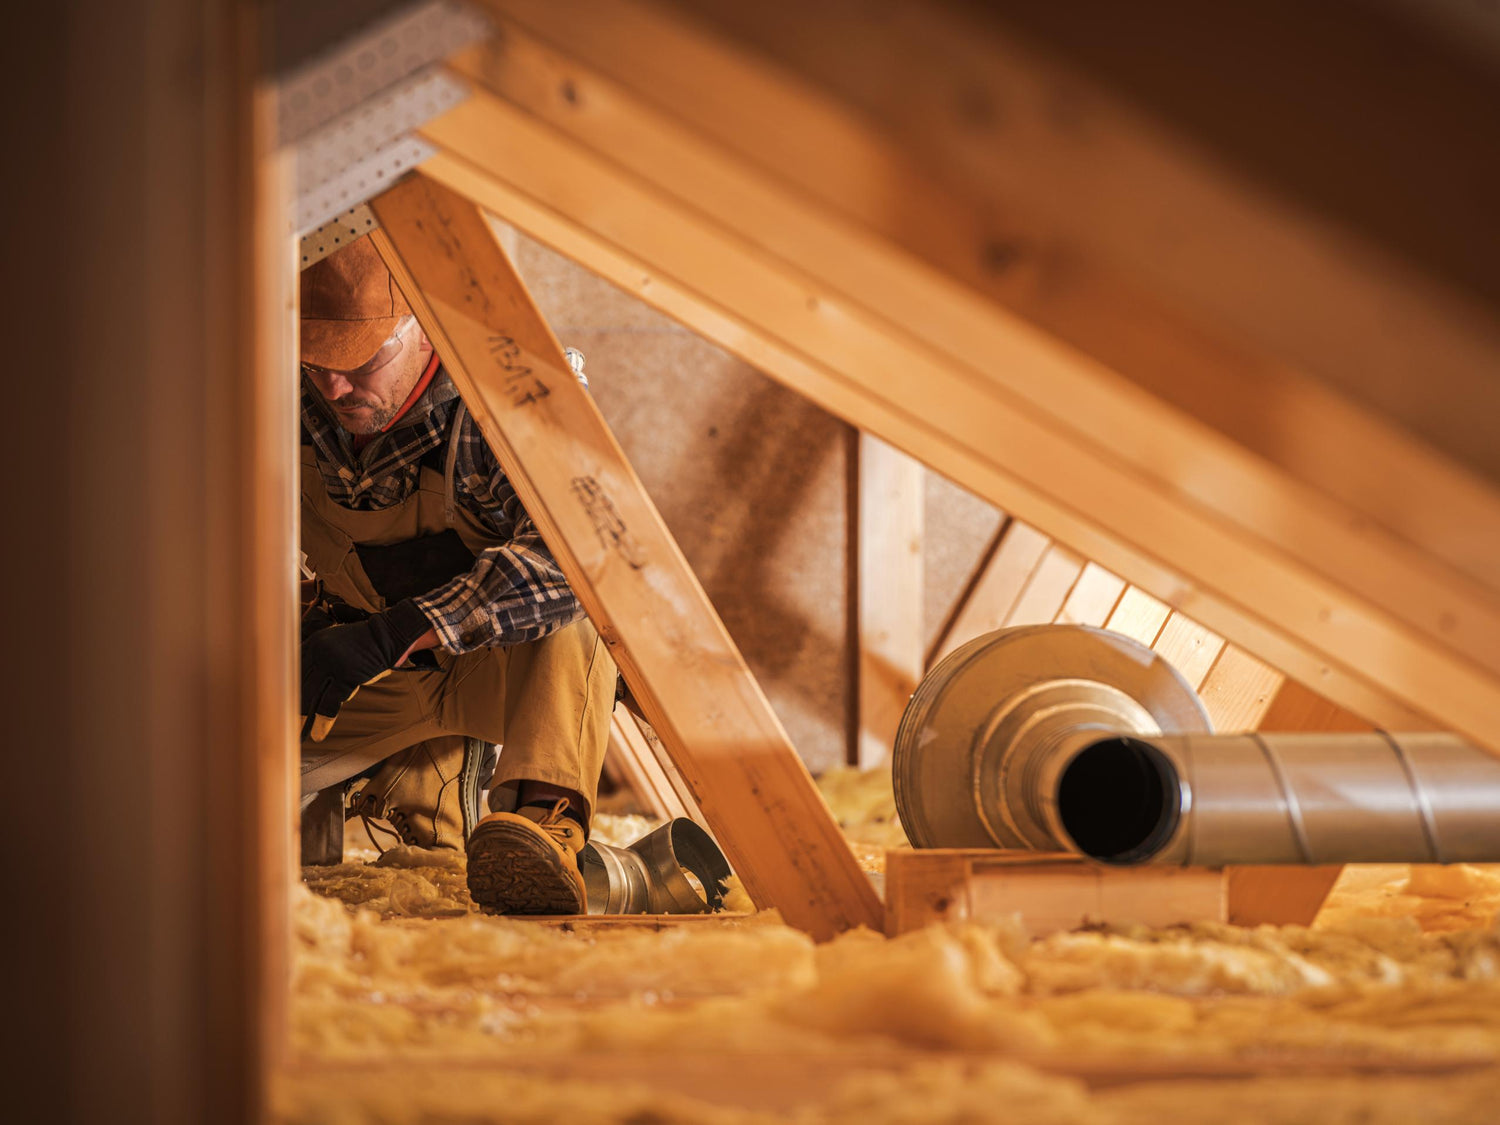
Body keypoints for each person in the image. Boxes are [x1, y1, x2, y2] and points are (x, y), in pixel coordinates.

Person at [296, 236, 616, 914]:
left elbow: (579, 554)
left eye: (360, 361)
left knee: (579, 601)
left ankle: (540, 821)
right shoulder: (288, 399)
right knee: (199, 785)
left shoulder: (506, 392)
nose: (334, 388)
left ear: (422, 324)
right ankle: (426, 776)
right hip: (365, 675)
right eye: (317, 363)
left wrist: (396, 632)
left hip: (501, 674)